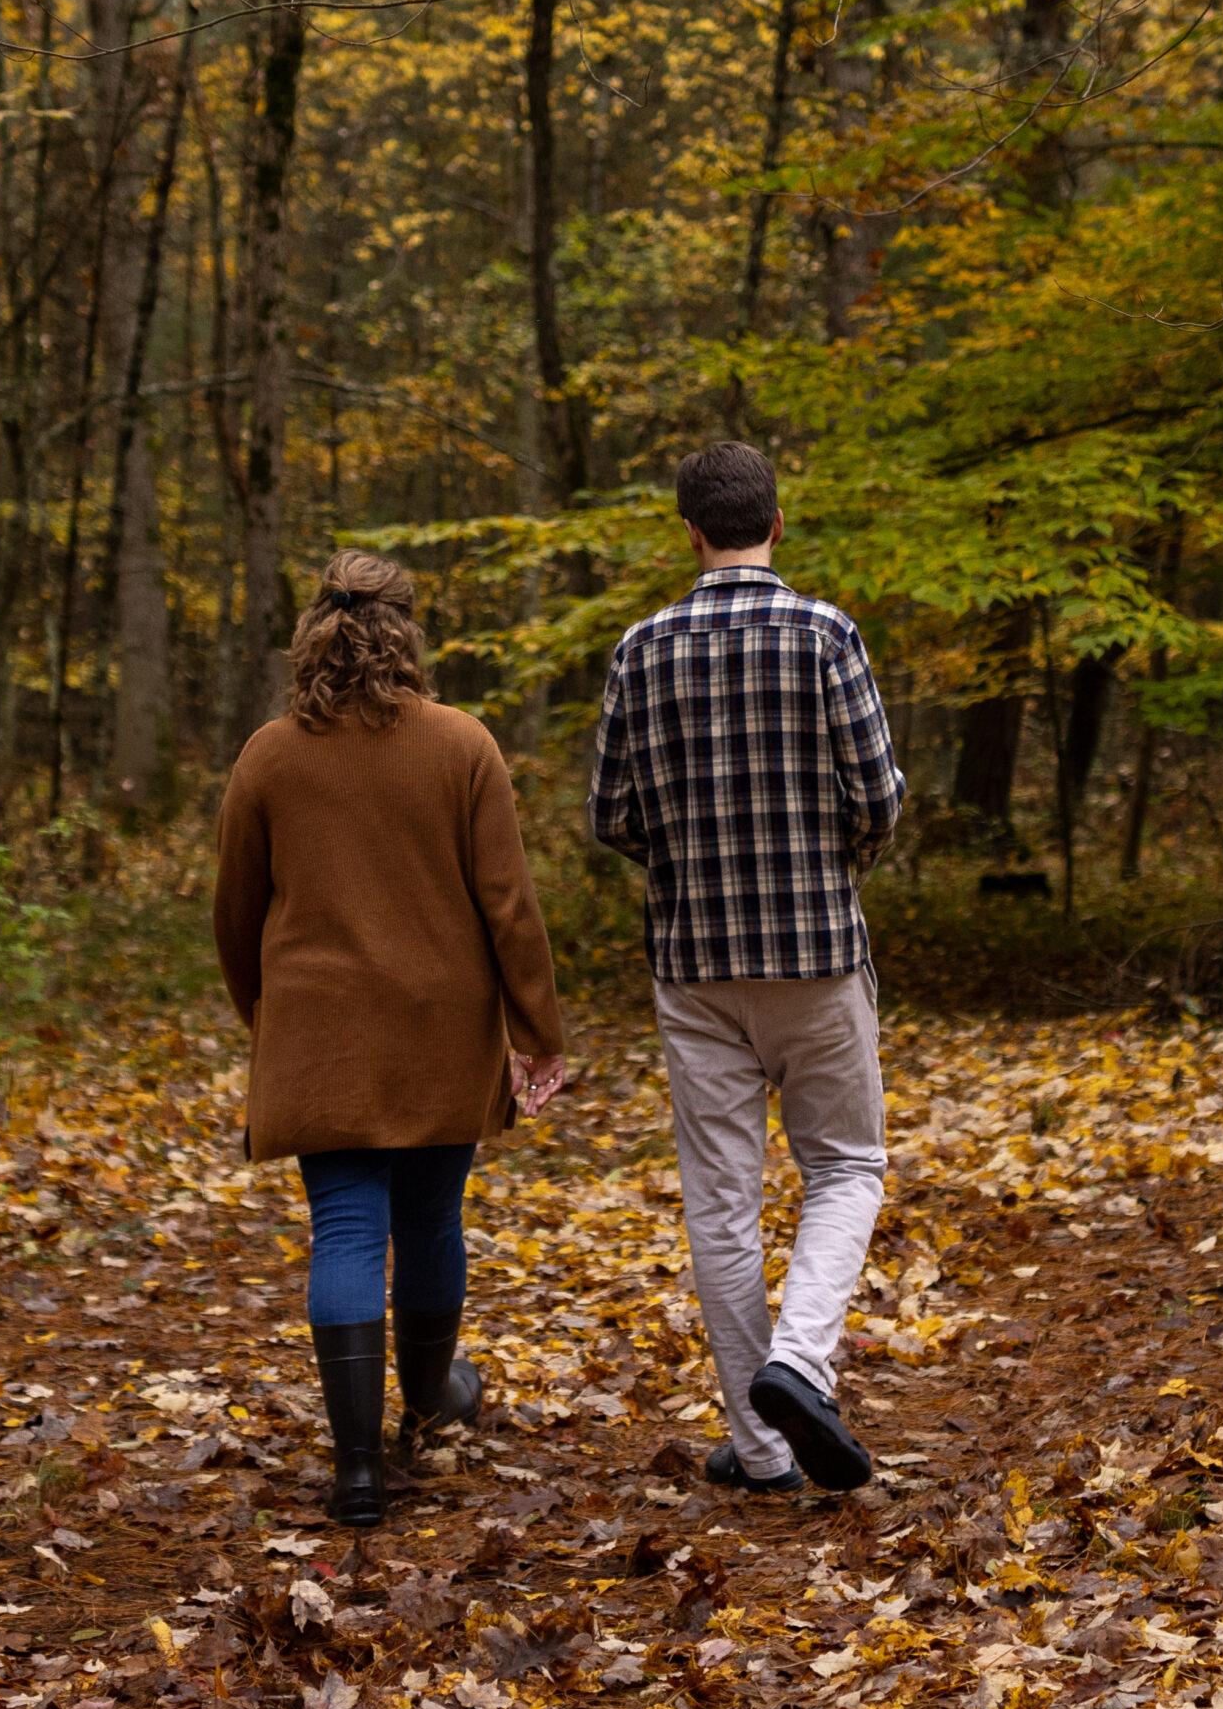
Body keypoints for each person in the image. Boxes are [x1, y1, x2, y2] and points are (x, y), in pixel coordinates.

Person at [211, 552, 573, 1529]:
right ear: (408, 634)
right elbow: (509, 906)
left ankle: (357, 1468)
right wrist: (537, 1030)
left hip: (318, 1032)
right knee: (429, 1221)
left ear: (311, 638)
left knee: (344, 1230)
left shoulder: (268, 755)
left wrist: (272, 1020)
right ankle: (428, 1402)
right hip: (440, 1030)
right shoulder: (462, 745)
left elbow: (234, 915)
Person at [588, 440, 906, 1495]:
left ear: (690, 531)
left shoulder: (639, 647)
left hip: (694, 964)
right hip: (816, 951)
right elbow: (879, 796)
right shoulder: (824, 634)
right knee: (846, 1167)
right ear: (777, 522)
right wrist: (832, 865)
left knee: (720, 1200)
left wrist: (684, 867)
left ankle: (763, 1444)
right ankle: (798, 1363)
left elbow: (613, 815)